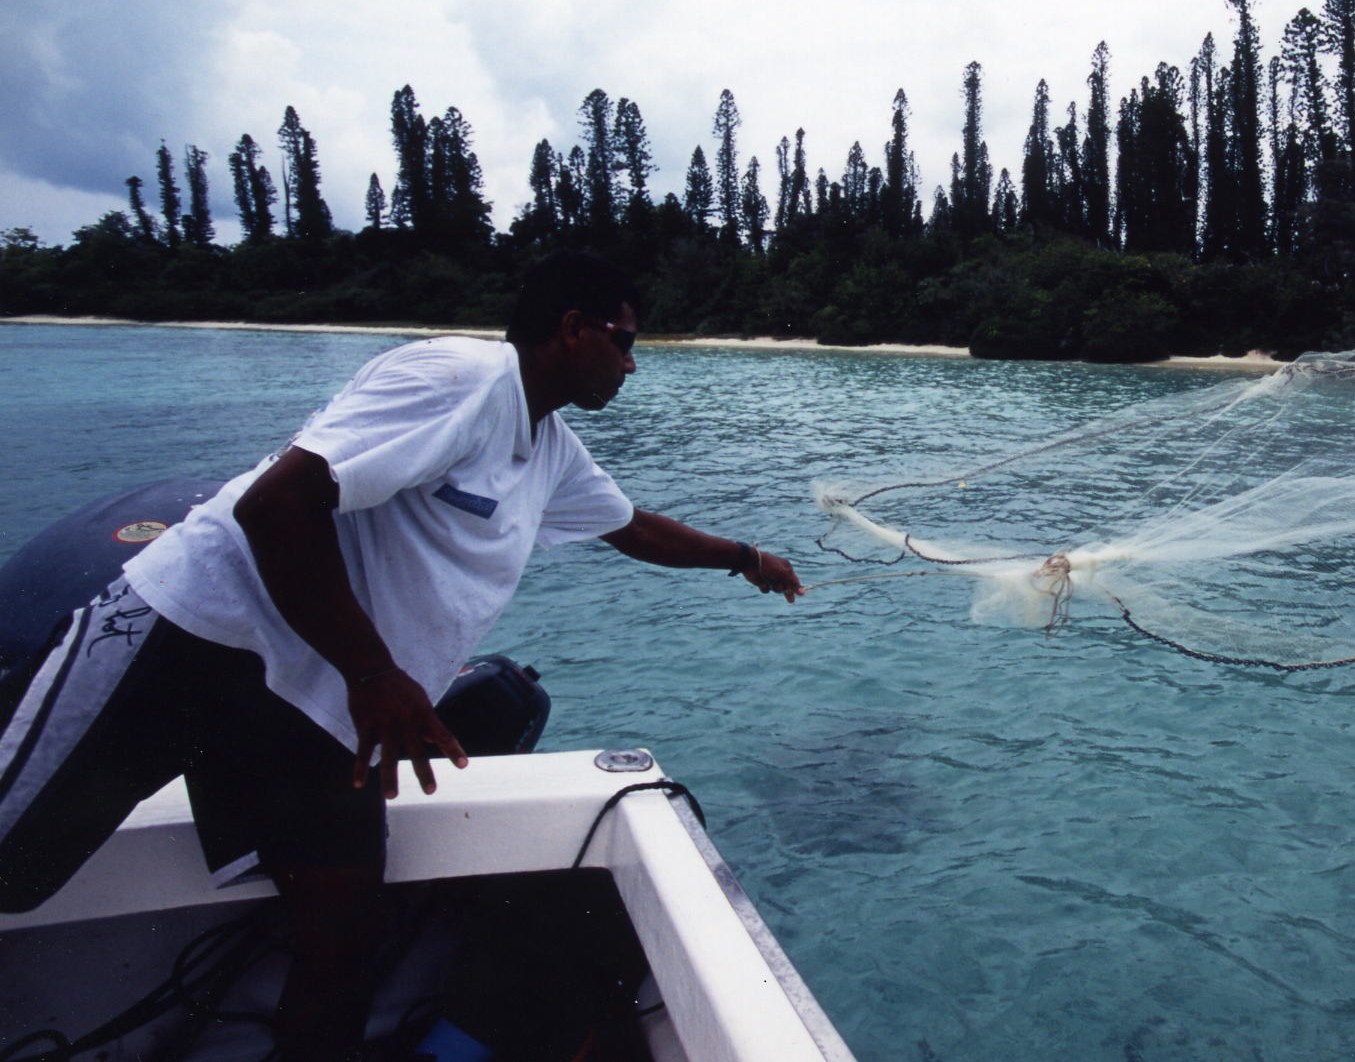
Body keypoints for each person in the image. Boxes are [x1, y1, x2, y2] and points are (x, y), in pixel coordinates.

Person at [0, 252, 803, 1061]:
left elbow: (631, 526)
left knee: (343, 936)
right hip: (195, 639)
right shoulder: (463, 377)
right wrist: (377, 675)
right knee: (15, 864)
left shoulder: (547, 443)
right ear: (572, 329)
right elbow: (274, 503)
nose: (631, 363)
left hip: (313, 704)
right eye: (625, 341)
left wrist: (745, 556)